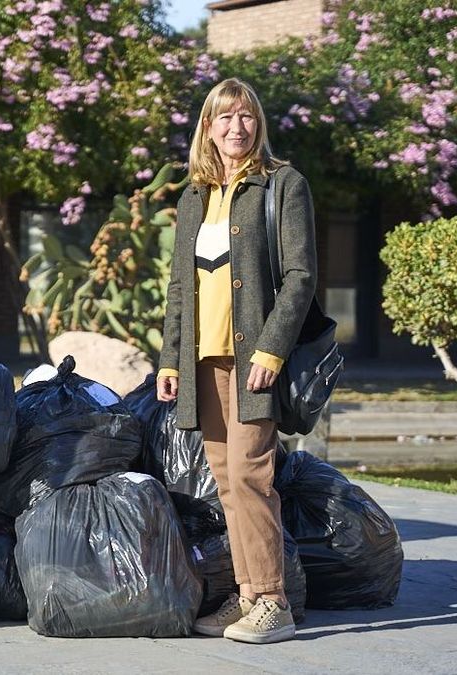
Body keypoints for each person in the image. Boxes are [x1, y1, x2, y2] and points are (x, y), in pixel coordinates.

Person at [156, 77, 317, 645]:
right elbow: (181, 287)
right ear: (208, 127)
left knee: (252, 475)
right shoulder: (194, 196)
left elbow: (300, 276)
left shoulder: (282, 184)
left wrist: (272, 348)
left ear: (258, 124)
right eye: (224, 118)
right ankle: (248, 595)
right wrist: (170, 361)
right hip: (204, 360)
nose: (236, 127)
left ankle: (273, 601)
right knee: (225, 480)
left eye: (246, 116)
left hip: (254, 359)